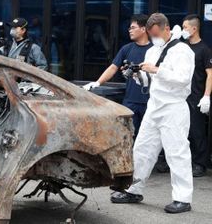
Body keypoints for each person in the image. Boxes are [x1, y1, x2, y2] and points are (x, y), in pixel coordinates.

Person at [111, 13, 194, 214]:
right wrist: (138, 74)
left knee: (177, 152)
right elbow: (149, 81)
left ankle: (183, 198)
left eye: (156, 34)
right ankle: (134, 190)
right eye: (151, 34)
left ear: (166, 28)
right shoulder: (153, 50)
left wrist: (157, 70)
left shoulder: (183, 50)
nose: (154, 38)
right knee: (142, 149)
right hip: (154, 106)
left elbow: (182, 79)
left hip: (174, 107)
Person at [83, 14, 152, 137]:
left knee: (148, 138)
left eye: (132, 27)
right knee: (127, 136)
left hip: (151, 102)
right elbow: (113, 67)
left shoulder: (155, 50)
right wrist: (98, 82)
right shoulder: (127, 49)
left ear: (143, 29)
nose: (129, 30)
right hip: (131, 102)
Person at [182, 14, 212, 177]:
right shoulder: (182, 47)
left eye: (185, 27)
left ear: (194, 28)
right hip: (181, 95)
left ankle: (200, 164)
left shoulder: (204, 49)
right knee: (181, 131)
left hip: (196, 96)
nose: (183, 30)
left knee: (197, 131)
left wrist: (206, 96)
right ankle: (184, 162)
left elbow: (210, 74)